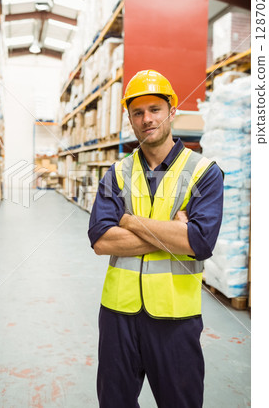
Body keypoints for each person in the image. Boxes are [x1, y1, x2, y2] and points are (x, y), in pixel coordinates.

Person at [88, 69, 224, 408]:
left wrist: (128, 220)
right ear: (130, 120)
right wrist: (174, 232)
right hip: (118, 314)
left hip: (175, 318)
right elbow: (101, 240)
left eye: (155, 109)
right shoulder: (117, 173)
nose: (147, 119)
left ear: (172, 111)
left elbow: (199, 243)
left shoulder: (204, 172)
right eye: (138, 112)